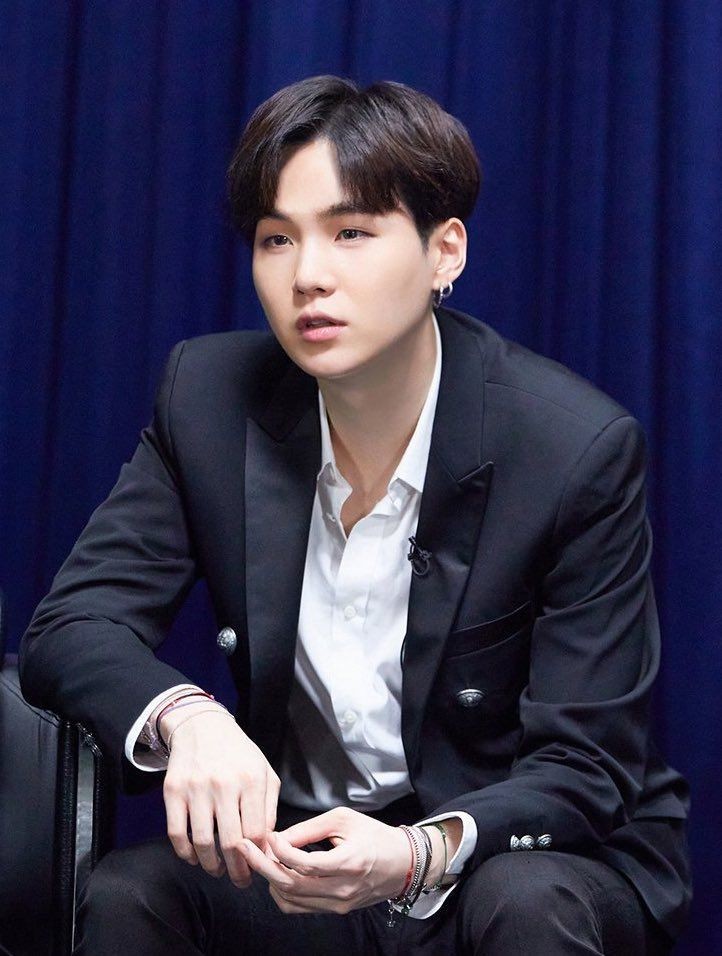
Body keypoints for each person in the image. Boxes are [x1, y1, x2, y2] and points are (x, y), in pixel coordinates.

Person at [20, 75, 690, 955]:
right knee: (131, 894)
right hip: (310, 854)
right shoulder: (209, 398)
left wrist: (418, 852)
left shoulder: (573, 449)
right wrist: (190, 716)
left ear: (445, 252)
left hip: (505, 857)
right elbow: (71, 625)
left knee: (527, 902)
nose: (309, 276)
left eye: (351, 233)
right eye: (277, 239)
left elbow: (585, 764)